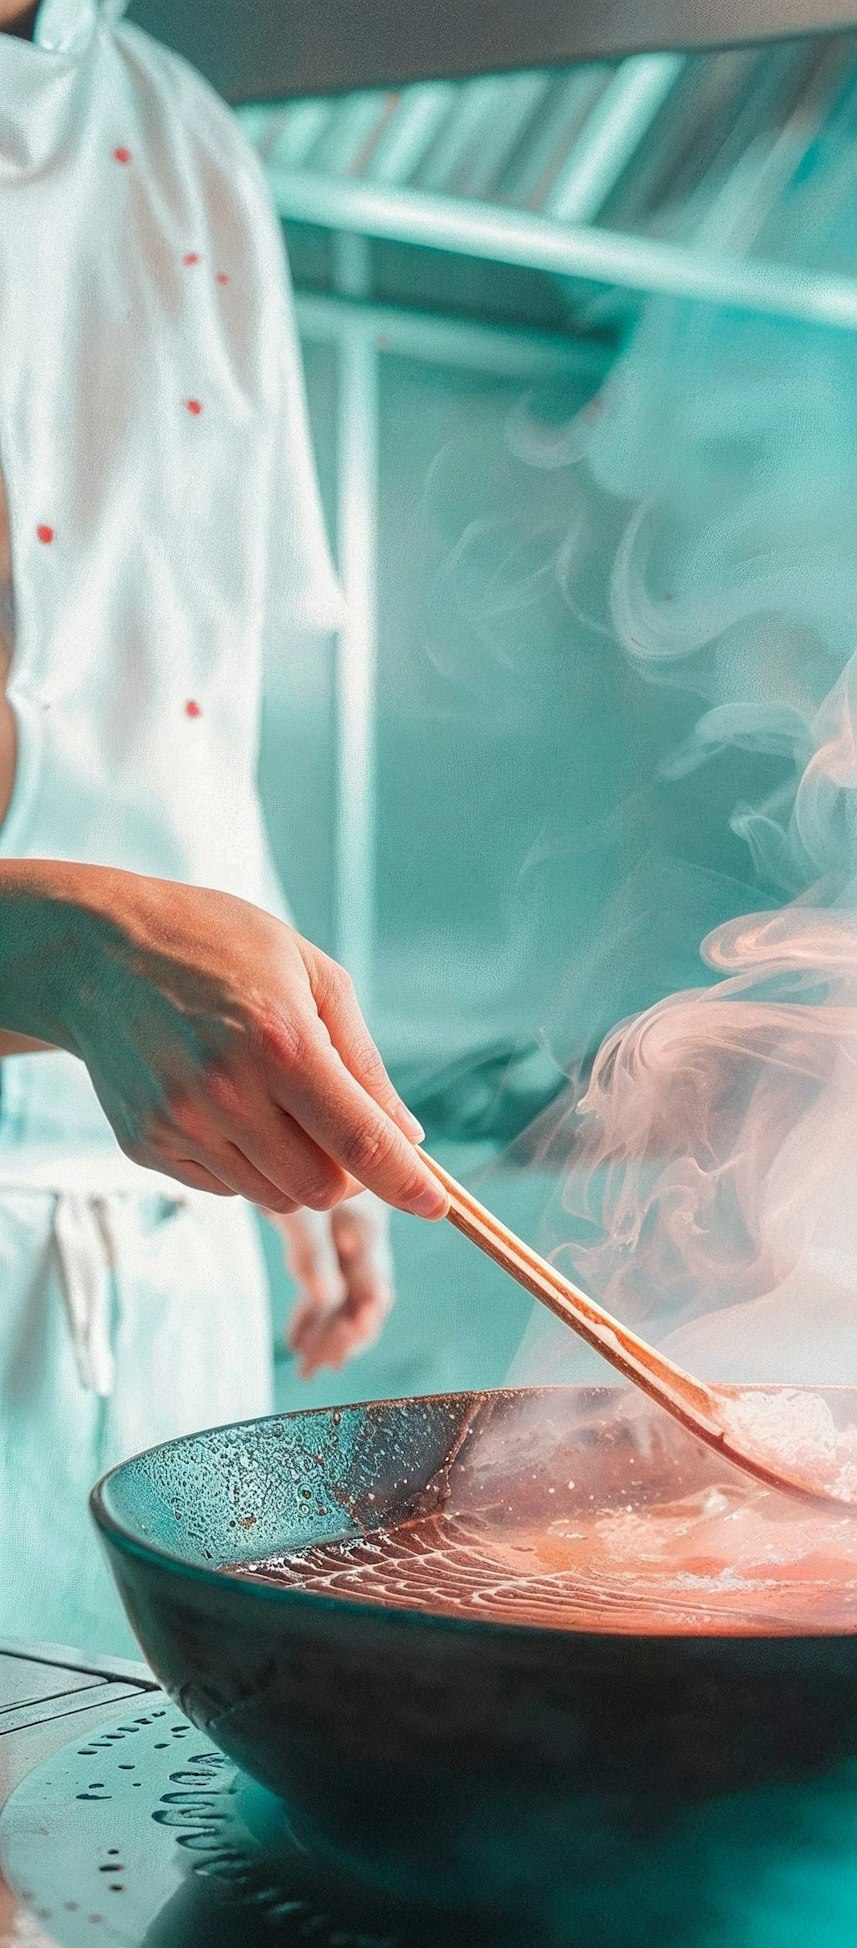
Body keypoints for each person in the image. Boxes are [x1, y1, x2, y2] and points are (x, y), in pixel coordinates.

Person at [0, 0, 447, 1655]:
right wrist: (56, 947)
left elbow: (190, 691)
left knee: (136, 1853)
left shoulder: (182, 135)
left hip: (173, 1263)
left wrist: (278, 1035)